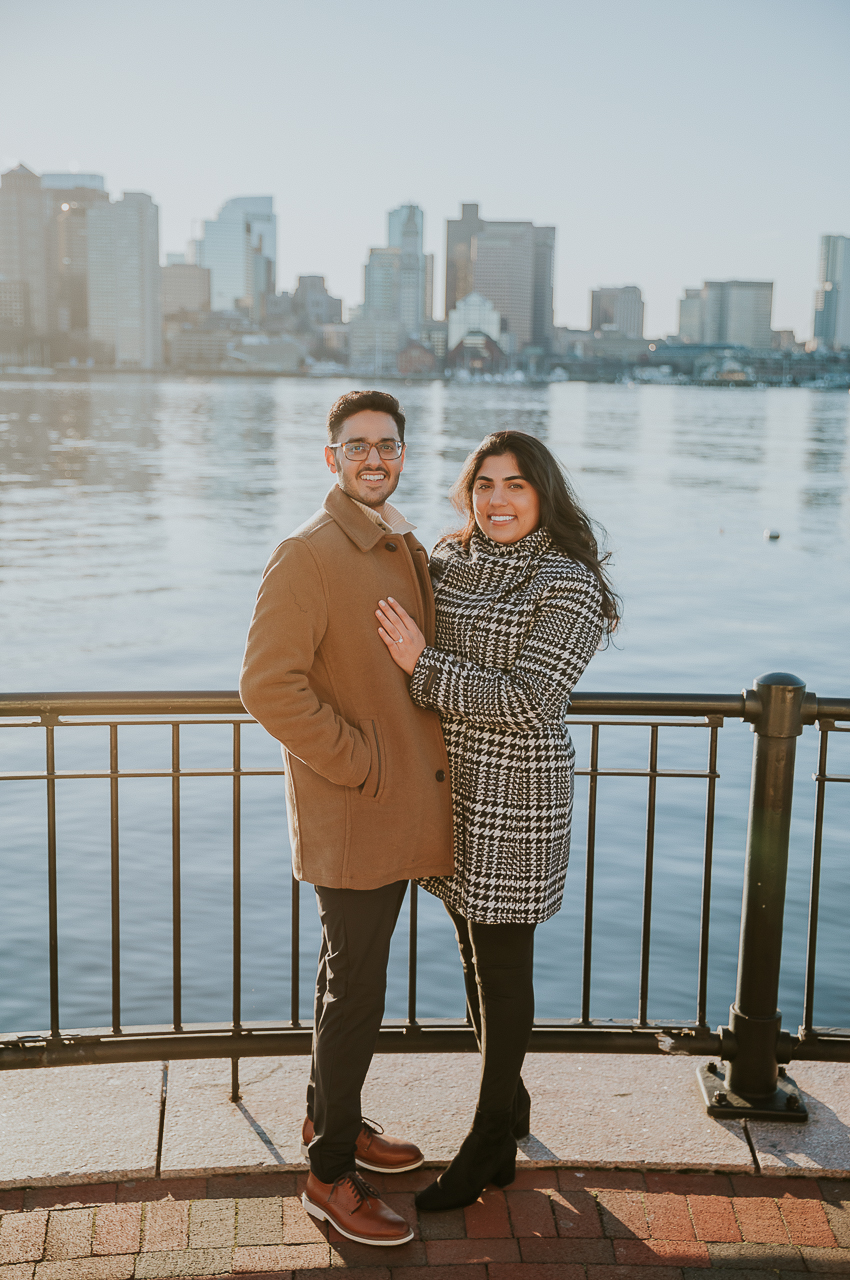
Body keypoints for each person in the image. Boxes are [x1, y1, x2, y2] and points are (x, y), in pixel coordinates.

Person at [376, 430, 619, 1211]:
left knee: (503, 966)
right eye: (484, 484)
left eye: (514, 485)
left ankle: (486, 1141)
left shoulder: (568, 583)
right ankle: (508, 1110)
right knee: (472, 955)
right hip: (447, 789)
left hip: (517, 797)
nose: (497, 499)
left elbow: (527, 700)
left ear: (542, 494)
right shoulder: (449, 562)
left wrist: (423, 666)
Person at [240, 389, 453, 1247]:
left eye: (388, 445)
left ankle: (331, 1119)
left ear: (402, 455)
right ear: (331, 458)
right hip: (355, 810)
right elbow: (267, 686)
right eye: (357, 445)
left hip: (395, 809)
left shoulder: (398, 542)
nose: (374, 457)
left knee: (349, 981)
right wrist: (360, 761)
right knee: (355, 991)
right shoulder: (309, 553)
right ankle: (329, 1174)